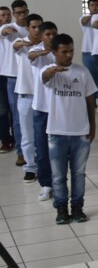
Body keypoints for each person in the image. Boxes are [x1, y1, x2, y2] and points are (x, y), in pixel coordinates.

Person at [42, 33, 97, 224]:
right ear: (54, 52)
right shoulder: (50, 70)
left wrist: (92, 125)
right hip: (56, 133)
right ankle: (61, 209)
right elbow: (44, 77)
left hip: (80, 133)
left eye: (71, 51)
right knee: (58, 175)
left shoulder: (82, 72)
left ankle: (77, 208)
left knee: (78, 173)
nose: (68, 55)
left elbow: (90, 101)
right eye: (64, 52)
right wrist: (54, 71)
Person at [13, 13, 43, 182]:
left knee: (44, 134)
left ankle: (45, 164)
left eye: (40, 26)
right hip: (25, 95)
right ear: (27, 28)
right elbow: (15, 45)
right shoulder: (22, 44)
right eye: (33, 27)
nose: (37, 30)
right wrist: (26, 42)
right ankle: (30, 167)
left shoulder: (48, 45)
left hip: (44, 97)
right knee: (27, 135)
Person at [30, 21, 58, 201]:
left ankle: (59, 183)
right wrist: (42, 51)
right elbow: (31, 55)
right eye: (47, 34)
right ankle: (46, 185)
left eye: (54, 34)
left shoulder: (61, 51)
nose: (51, 37)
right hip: (41, 107)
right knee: (42, 148)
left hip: (59, 107)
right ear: (41, 36)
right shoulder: (37, 52)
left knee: (60, 149)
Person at [2, 0, 30, 162]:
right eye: (18, 12)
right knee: (18, 115)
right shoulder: (8, 28)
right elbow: (4, 32)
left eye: (24, 12)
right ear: (13, 14)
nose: (22, 15)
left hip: (31, 75)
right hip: (13, 76)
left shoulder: (32, 27)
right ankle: (21, 152)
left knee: (34, 113)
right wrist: (7, 31)